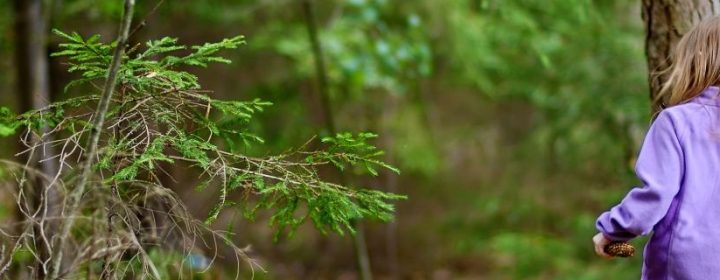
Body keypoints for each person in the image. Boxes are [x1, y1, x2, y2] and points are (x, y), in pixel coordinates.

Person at [593, 16, 720, 279]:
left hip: (685, 268)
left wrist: (611, 231)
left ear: (698, 57)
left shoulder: (677, 122)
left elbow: (655, 197)